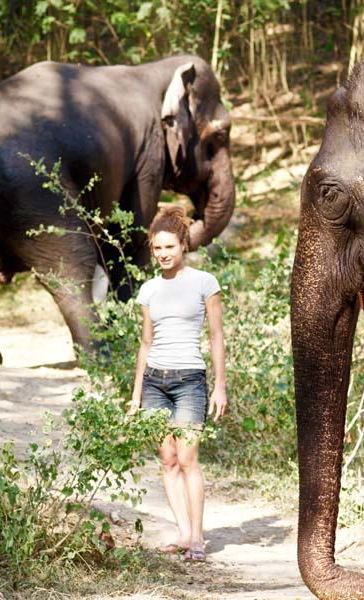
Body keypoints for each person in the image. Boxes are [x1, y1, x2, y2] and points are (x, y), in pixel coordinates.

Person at [129, 205, 227, 562]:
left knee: (188, 459)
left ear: (183, 245)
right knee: (167, 459)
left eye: (169, 247)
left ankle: (198, 539)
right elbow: (146, 343)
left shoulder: (204, 283)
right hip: (155, 381)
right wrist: (137, 394)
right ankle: (183, 534)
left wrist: (220, 386)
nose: (163, 255)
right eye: (157, 249)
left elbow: (216, 336)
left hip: (189, 381)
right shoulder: (149, 290)